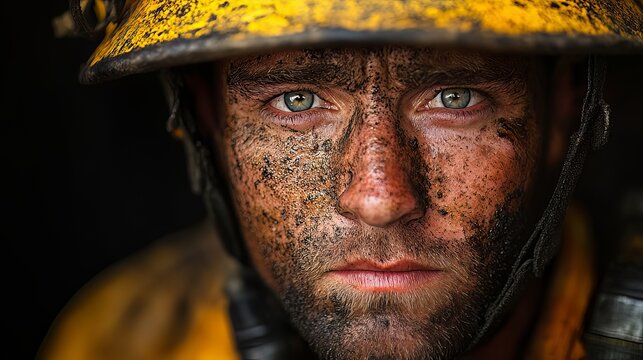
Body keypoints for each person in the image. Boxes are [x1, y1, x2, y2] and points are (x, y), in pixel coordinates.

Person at [40, 1, 642, 359]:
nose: (379, 198)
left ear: (565, 107)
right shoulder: (122, 339)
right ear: (206, 121)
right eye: (297, 101)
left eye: (455, 97)